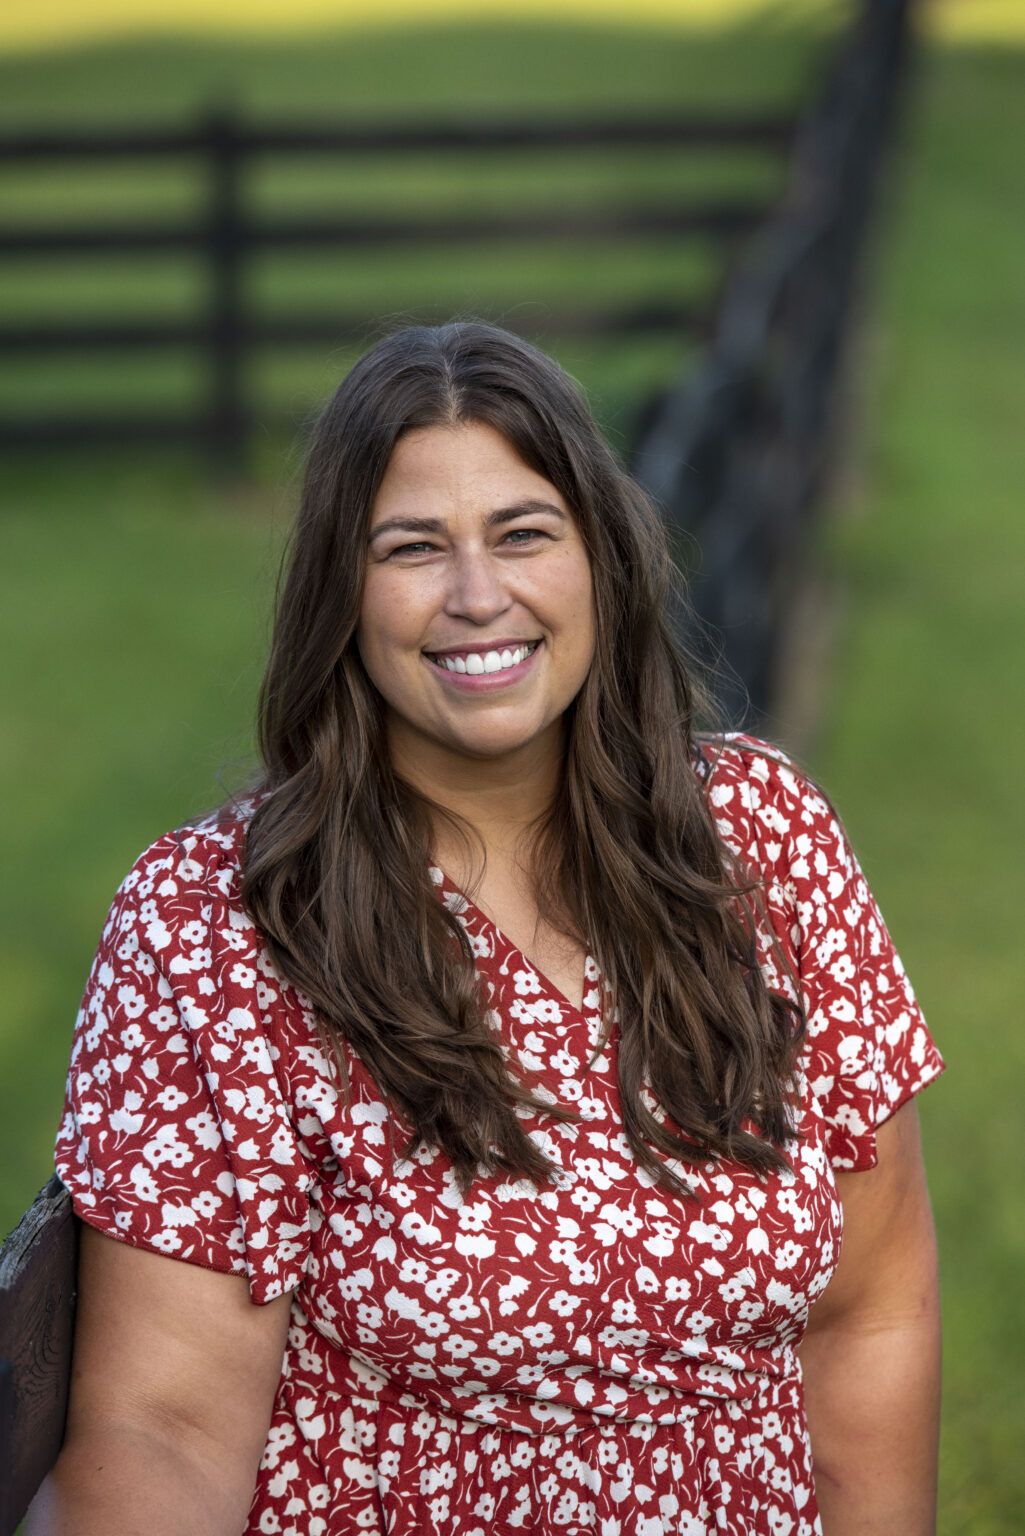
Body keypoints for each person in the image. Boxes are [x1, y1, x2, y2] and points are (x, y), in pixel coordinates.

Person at [29, 322, 943, 1536]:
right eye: (412, 549)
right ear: (338, 598)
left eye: (521, 533)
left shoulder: (760, 839)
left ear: (598, 562)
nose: (477, 596)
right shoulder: (210, 928)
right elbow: (165, 1430)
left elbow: (870, 1313)